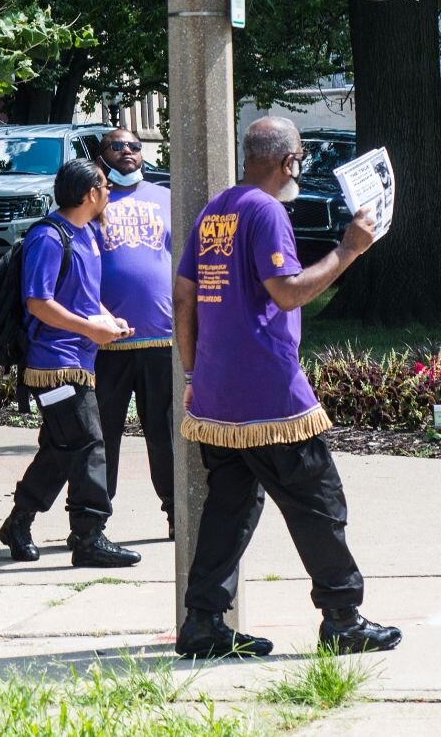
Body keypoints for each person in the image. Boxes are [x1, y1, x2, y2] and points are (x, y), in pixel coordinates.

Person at [173, 117, 400, 659]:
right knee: (318, 501)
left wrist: (190, 375)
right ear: (289, 161)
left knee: (229, 507)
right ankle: (343, 618)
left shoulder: (215, 210)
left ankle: (203, 622)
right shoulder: (267, 211)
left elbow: (183, 297)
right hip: (270, 394)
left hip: (215, 395)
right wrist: (350, 249)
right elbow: (288, 293)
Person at [0, 159, 141, 570]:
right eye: (105, 186)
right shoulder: (49, 236)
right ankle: (89, 535)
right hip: (54, 364)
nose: (110, 192)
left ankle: (18, 522)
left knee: (62, 448)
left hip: (80, 357)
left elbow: (80, 294)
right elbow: (38, 303)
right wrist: (89, 330)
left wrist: (107, 318)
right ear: (90, 194)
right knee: (88, 443)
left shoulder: (87, 234)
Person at [94, 128, 176, 536]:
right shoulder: (92, 201)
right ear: (101, 155)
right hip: (106, 343)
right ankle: (94, 523)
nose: (127, 151)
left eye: (134, 146)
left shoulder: (165, 198)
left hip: (162, 338)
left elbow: (183, 263)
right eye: (117, 146)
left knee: (165, 434)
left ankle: (179, 515)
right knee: (103, 435)